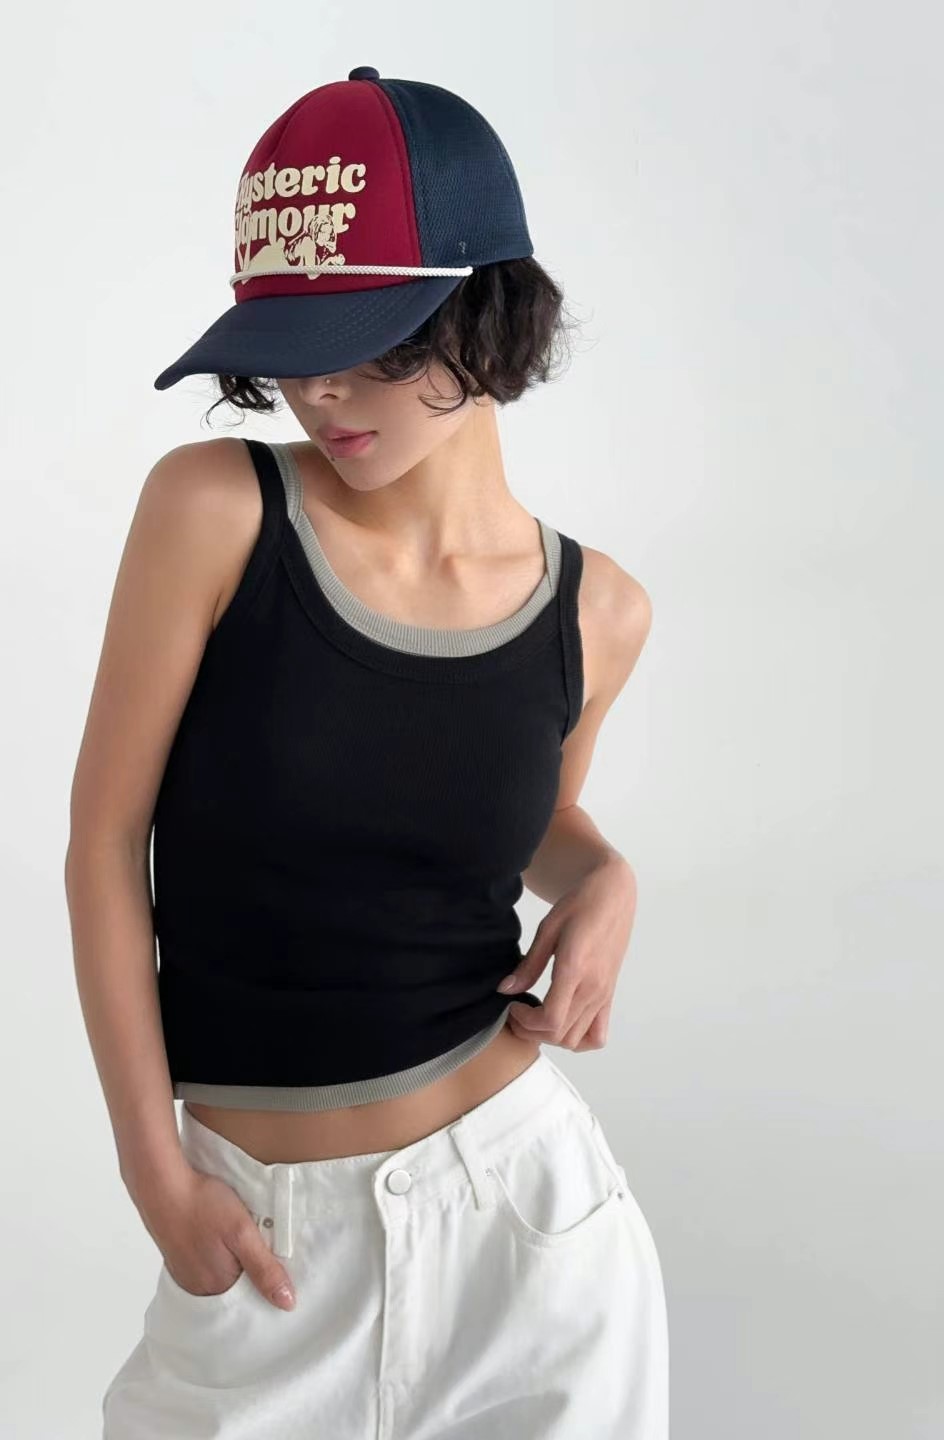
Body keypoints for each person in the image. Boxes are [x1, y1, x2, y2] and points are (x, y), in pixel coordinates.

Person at [66, 65, 669, 1438]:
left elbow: (520, 818)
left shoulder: (600, 613)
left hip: (529, 1234)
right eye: (290, 347)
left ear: (485, 311)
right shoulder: (217, 511)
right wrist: (156, 1175)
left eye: (372, 343)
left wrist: (606, 875)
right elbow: (104, 841)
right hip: (263, 1249)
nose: (317, 390)